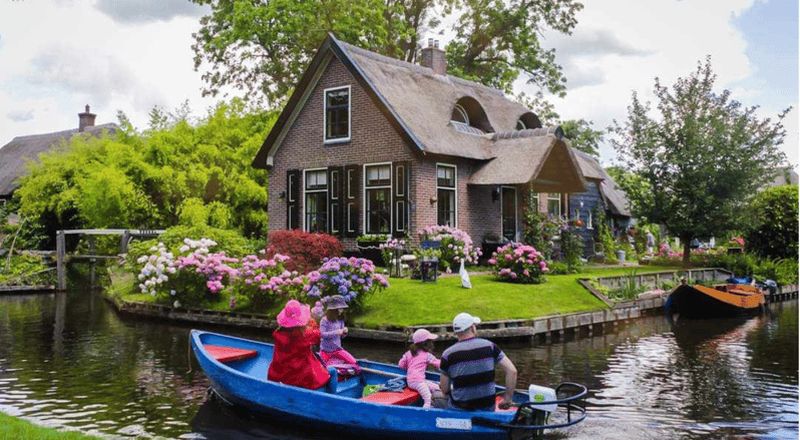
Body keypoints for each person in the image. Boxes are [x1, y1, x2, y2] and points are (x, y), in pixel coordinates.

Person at [439, 312, 517, 411]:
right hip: (487, 407)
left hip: (460, 408)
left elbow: (445, 389)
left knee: (436, 397)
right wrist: (508, 399)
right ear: (472, 328)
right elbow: (512, 371)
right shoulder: (490, 346)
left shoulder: (447, 354)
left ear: (456, 332)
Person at [267, 299, 330, 389]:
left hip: (278, 376)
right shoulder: (305, 336)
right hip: (302, 379)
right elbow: (318, 335)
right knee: (332, 371)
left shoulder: (278, 334)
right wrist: (312, 323)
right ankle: (331, 395)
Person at [398, 329, 442, 408]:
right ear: (425, 343)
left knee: (437, 388)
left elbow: (400, 365)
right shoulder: (427, 355)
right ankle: (425, 412)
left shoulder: (408, 353)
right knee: (428, 399)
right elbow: (439, 364)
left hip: (412, 381)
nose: (432, 343)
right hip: (418, 382)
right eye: (430, 341)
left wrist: (409, 367)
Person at [319, 295, 360, 372]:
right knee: (326, 369)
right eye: (340, 308)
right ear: (333, 309)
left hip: (338, 350)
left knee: (353, 362)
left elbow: (341, 337)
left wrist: (344, 332)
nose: (341, 310)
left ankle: (340, 370)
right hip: (325, 351)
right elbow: (322, 334)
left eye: (342, 308)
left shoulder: (340, 320)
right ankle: (336, 368)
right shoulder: (324, 320)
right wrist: (337, 332)